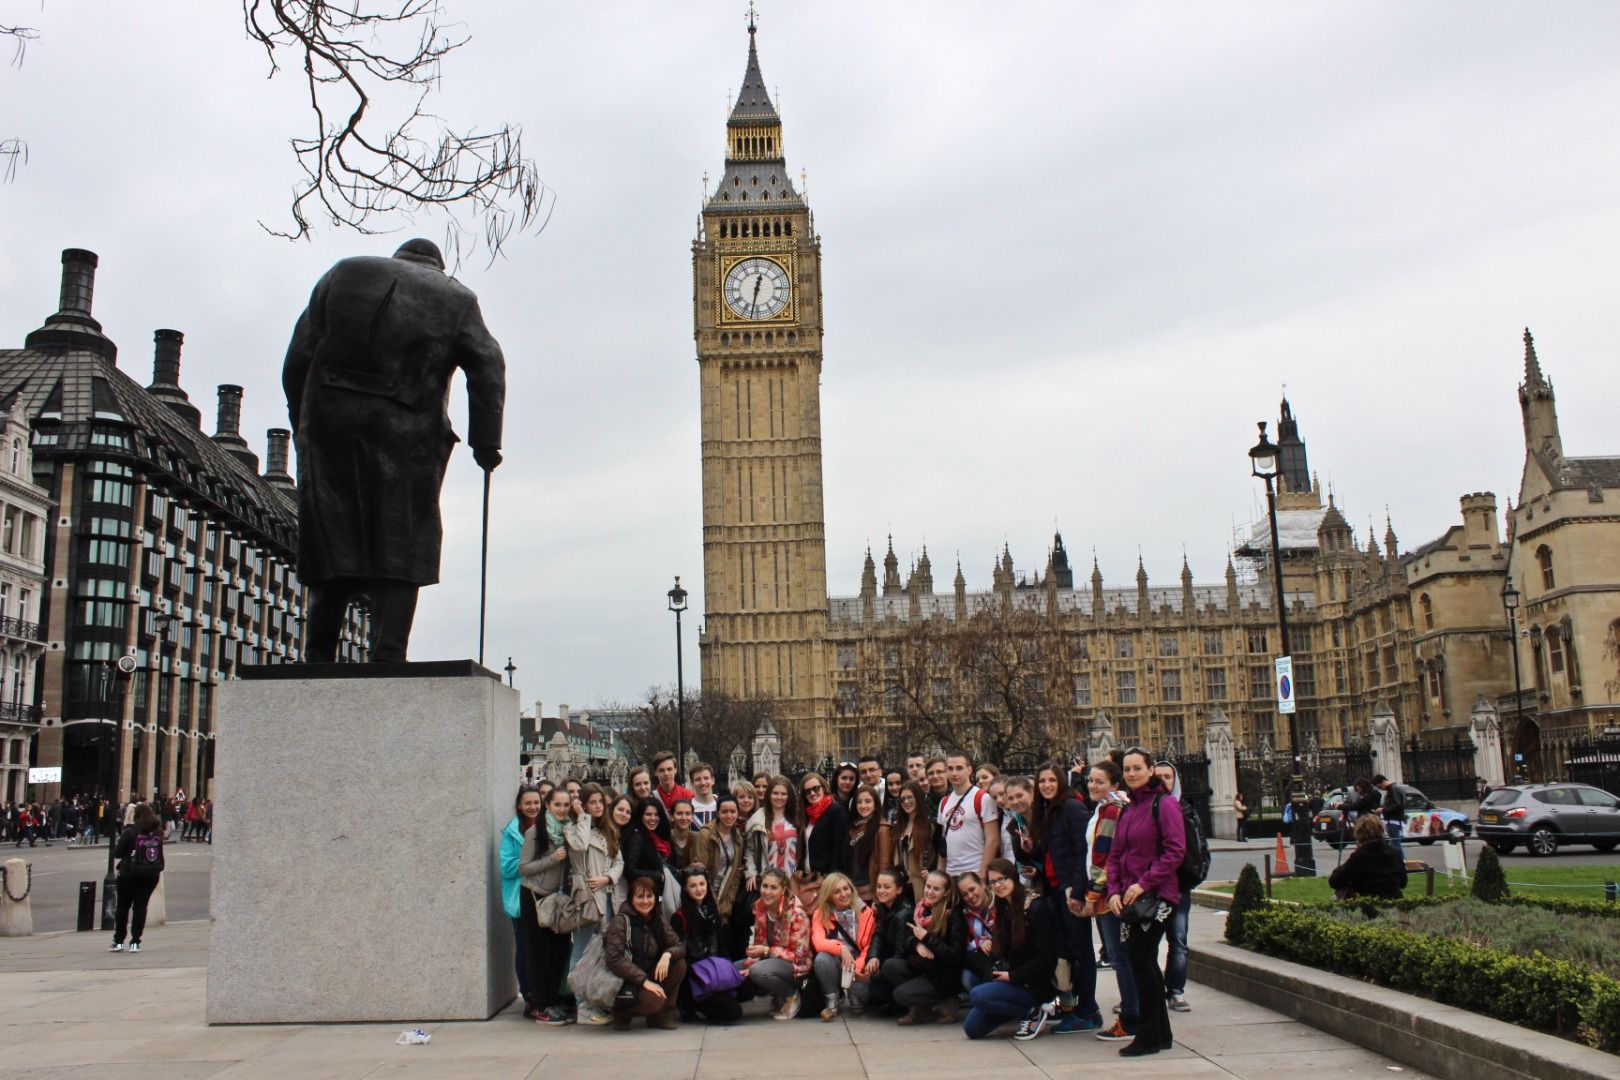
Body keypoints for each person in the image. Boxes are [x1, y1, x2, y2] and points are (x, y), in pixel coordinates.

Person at [282, 238, 504, 662]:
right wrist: (486, 442)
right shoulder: (457, 297)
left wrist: (303, 420)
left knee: (331, 532)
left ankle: (318, 653)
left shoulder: (343, 271)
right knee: (403, 537)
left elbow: (299, 356)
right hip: (409, 430)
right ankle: (387, 653)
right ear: (437, 265)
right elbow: (488, 363)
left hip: (328, 421)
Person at [1105, 748, 1186, 1057]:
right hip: (1131, 898)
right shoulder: (1128, 809)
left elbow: (1175, 851)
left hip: (1157, 896)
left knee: (1140, 960)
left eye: (1138, 768)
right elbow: (1116, 855)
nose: (1132, 774)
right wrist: (1114, 891)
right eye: (1127, 769)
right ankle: (1161, 1034)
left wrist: (1144, 883)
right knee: (1144, 963)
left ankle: (1148, 1036)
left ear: (1151, 770)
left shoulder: (1164, 804)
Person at [1031, 761, 1103, 1034]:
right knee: (1071, 950)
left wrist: (1078, 890)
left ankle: (1086, 1011)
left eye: (1051, 780)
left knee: (1082, 951)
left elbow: (1084, 850)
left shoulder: (1071, 807)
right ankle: (1087, 1009)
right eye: (1042, 781)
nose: (1046, 785)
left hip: (1071, 890)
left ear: (1061, 781)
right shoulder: (1051, 810)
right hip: (1057, 889)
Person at [970, 859, 1059, 1040]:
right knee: (972, 1029)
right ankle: (1023, 1010)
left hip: (1033, 984)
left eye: (1002, 879)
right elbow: (997, 953)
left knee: (978, 995)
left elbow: (1046, 958)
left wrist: (1013, 976)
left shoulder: (1036, 907)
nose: (998, 885)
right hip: (1011, 980)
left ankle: (1034, 1011)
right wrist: (993, 974)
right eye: (993, 882)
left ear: (1013, 877)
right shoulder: (1003, 908)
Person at [1084, 760, 1139, 1043]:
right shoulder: (1112, 805)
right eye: (1091, 780)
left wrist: (1093, 892)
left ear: (1114, 784)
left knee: (1120, 957)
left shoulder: (1110, 809)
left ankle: (1131, 1017)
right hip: (1113, 890)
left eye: (1100, 781)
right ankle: (1135, 1012)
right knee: (1123, 956)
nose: (1092, 785)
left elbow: (1104, 854)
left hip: (1109, 894)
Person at [566, 783, 623, 1025]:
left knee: (601, 948)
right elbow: (579, 845)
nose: (598, 806)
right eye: (592, 802)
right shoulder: (574, 828)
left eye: (601, 802)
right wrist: (582, 816)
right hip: (587, 896)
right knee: (581, 949)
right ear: (583, 804)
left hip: (607, 894)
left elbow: (618, 861)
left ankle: (596, 998)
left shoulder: (608, 830)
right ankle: (581, 1003)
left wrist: (607, 878)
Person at [519, 785, 577, 1025]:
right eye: (557, 805)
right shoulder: (535, 832)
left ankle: (553, 999)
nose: (562, 809)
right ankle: (540, 1004)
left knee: (560, 950)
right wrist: (553, 858)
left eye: (566, 805)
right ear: (548, 806)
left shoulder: (569, 831)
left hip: (557, 899)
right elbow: (523, 868)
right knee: (537, 952)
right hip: (534, 896)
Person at [881, 868, 967, 1025]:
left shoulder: (954, 915)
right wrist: (917, 944)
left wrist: (927, 939)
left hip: (944, 974)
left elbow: (954, 955)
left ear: (946, 892)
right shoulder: (921, 908)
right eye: (928, 886)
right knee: (890, 966)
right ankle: (922, 1009)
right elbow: (908, 937)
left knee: (901, 995)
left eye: (936, 889)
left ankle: (948, 1001)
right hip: (923, 966)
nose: (930, 892)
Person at [603, 873, 688, 1030]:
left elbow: (679, 945)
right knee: (654, 1002)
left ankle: (660, 1018)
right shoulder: (620, 921)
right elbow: (614, 959)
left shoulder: (657, 918)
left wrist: (667, 955)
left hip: (648, 972)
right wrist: (644, 981)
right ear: (631, 899)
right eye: (640, 897)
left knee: (679, 964)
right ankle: (621, 1013)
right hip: (626, 980)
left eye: (649, 896)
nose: (645, 901)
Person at [670, 865, 742, 1024]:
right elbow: (680, 956)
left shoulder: (712, 910)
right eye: (693, 885)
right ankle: (691, 1004)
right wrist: (703, 973)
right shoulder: (679, 917)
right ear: (685, 889)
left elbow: (722, 945)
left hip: (716, 970)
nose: (699, 889)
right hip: (696, 976)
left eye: (702, 884)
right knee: (734, 1012)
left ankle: (717, 998)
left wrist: (726, 969)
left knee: (747, 988)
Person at [1153, 761, 1196, 1014]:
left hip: (1178, 886)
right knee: (1146, 945)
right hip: (1151, 887)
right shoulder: (1143, 808)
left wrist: (1192, 877)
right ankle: (1149, 992)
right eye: (1158, 776)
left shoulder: (1186, 809)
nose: (1162, 781)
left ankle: (1176, 990)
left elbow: (1198, 849)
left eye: (1167, 776)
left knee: (1178, 941)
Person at [741, 867, 813, 1020]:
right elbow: (759, 943)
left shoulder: (797, 913)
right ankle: (777, 997)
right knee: (735, 969)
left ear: (783, 890)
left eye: (774, 888)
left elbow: (799, 956)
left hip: (798, 969)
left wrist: (766, 951)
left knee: (757, 971)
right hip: (771, 961)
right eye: (765, 886)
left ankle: (791, 996)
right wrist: (751, 962)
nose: (767, 892)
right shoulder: (759, 907)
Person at [809, 872, 875, 1020]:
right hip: (836, 964)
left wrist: (856, 969)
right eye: (837, 892)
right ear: (829, 896)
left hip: (858, 964)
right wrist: (842, 948)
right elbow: (818, 942)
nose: (844, 894)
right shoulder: (820, 914)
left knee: (864, 990)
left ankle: (854, 994)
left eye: (846, 889)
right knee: (822, 958)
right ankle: (832, 997)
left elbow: (869, 946)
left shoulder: (866, 912)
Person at [499, 785, 541, 1004]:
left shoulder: (546, 826)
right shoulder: (512, 832)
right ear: (519, 805)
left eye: (536, 802)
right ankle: (529, 994)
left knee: (541, 949)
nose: (533, 807)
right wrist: (533, 861)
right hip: (520, 898)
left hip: (543, 895)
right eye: (528, 803)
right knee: (525, 948)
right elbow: (506, 867)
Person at [692, 795, 748, 959]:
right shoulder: (705, 835)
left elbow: (736, 873)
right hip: (705, 893)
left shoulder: (738, 837)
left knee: (727, 943)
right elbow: (700, 871)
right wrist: (713, 902)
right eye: (724, 812)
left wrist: (727, 904)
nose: (729, 816)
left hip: (725, 897)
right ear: (717, 813)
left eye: (732, 811)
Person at [109, 803, 164, 953]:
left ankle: (119, 941)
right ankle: (135, 942)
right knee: (140, 907)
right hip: (151, 875)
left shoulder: (131, 832)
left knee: (123, 907)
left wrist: (115, 849)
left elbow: (118, 853)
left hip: (129, 874)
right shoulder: (158, 832)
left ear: (137, 816)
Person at [858, 868, 914, 1014]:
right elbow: (878, 937)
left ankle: (904, 1004)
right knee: (871, 991)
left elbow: (901, 954)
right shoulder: (884, 907)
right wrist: (873, 957)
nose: (881, 891)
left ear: (899, 889)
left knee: (876, 990)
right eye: (879, 886)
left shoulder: (904, 914)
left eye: (887, 887)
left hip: (904, 965)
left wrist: (876, 975)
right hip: (889, 959)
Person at [937, 752, 999, 881]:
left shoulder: (982, 798)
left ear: (969, 770)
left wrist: (983, 873)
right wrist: (940, 874)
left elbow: (992, 839)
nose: (954, 773)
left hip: (974, 872)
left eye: (959, 768)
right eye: (950, 769)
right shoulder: (944, 802)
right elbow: (944, 842)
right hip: (950, 874)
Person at [1329, 814, 1409, 900]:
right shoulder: (1395, 852)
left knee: (1334, 898)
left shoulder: (1359, 856)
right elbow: (1403, 883)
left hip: (1368, 902)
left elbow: (1334, 881)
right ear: (1381, 830)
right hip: (1394, 901)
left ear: (1359, 833)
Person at [745, 775, 800, 895]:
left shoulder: (797, 818)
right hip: (767, 881)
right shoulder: (757, 819)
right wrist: (751, 873)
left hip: (791, 880)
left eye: (783, 794)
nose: (779, 797)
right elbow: (749, 851)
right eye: (775, 793)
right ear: (769, 795)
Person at [799, 771, 848, 906]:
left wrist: (832, 878)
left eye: (816, 788)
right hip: (809, 878)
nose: (812, 793)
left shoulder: (836, 811)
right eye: (807, 791)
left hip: (827, 879)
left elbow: (839, 848)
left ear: (824, 788)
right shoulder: (807, 815)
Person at [844, 785, 888, 903]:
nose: (863, 806)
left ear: (876, 805)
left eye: (868, 801)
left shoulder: (882, 829)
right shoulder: (853, 828)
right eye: (859, 802)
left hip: (871, 895)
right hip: (852, 893)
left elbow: (884, 866)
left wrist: (878, 897)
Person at [891, 780, 935, 892]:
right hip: (901, 885)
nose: (906, 802)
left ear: (918, 798)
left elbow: (936, 854)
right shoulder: (897, 826)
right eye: (902, 799)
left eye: (910, 798)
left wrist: (932, 871)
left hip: (921, 884)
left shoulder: (929, 826)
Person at [608, 794, 637, 910]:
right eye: (620, 809)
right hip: (605, 890)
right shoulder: (603, 833)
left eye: (628, 812)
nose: (624, 814)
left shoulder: (631, 836)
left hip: (624, 894)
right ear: (612, 809)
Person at [1373, 774, 1407, 855]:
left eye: (1380, 786)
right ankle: (1400, 860)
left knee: (1395, 844)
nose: (1380, 788)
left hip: (1393, 821)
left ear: (1383, 782)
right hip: (1394, 820)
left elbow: (1397, 805)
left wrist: (1383, 810)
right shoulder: (1394, 789)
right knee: (1395, 843)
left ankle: (1400, 860)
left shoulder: (1393, 789)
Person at [669, 799, 696, 871]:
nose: (684, 818)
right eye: (679, 813)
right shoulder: (663, 838)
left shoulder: (698, 838)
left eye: (688, 814)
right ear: (672, 816)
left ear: (692, 817)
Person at [689, 762, 719, 827]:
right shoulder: (687, 807)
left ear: (713, 780)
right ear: (692, 783)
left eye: (706, 778)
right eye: (698, 779)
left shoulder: (722, 804)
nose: (703, 783)